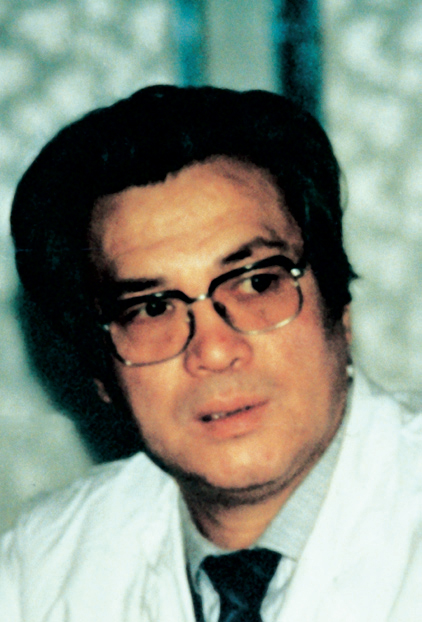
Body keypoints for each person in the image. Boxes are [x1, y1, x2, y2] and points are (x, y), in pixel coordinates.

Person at [1, 85, 421, 622]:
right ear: (101, 375)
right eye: (153, 308)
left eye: (256, 282)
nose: (216, 350)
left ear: (339, 309)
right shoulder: (38, 571)